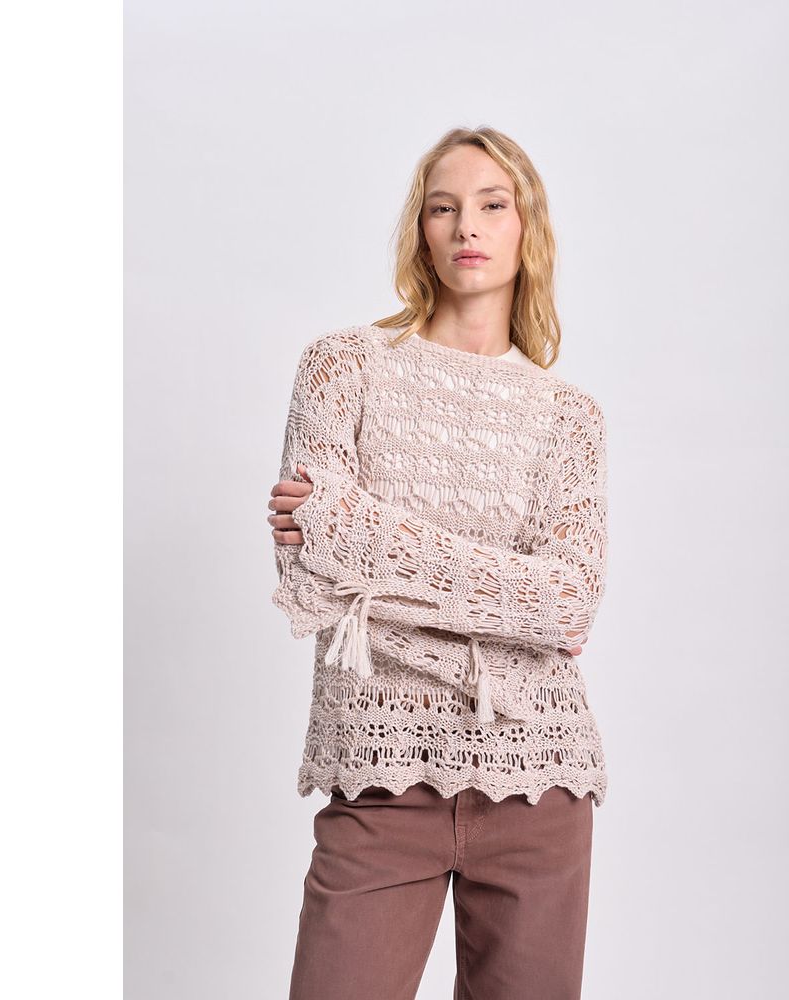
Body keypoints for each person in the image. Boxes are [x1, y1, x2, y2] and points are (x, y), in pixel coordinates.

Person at [267, 126, 610, 1000]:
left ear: (527, 226)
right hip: (381, 776)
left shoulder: (569, 417)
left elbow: (570, 604)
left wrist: (365, 548)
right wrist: (510, 621)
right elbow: (312, 581)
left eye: (493, 205)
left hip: (539, 779)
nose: (468, 226)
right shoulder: (343, 367)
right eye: (443, 207)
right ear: (420, 230)